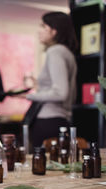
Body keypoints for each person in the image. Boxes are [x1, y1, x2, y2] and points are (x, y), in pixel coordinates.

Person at [18, 12, 77, 147]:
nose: (39, 31)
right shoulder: (67, 53)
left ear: (54, 31)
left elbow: (61, 93)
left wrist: (30, 96)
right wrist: (38, 85)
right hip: (60, 120)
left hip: (48, 121)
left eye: (43, 26)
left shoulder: (55, 51)